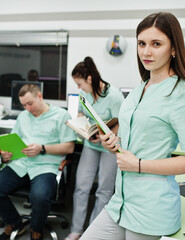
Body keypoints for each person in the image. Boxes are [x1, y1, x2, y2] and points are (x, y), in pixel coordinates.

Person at [80, 12, 185, 240]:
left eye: (156, 44)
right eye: (141, 43)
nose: (146, 52)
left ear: (173, 49)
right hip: (120, 203)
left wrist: (138, 164)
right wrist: (115, 143)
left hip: (151, 210)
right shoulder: (140, 89)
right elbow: (138, 139)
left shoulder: (184, 94)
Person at [0, 84, 76, 240]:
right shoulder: (23, 116)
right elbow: (13, 142)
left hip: (45, 166)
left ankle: (36, 228)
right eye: (24, 105)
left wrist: (42, 148)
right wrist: (7, 154)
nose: (27, 108)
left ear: (39, 96)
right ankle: (14, 223)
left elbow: (69, 147)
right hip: (21, 164)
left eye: (30, 103)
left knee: (39, 196)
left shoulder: (62, 115)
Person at [65, 56, 124, 240]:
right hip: (91, 144)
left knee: (104, 191)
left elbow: (120, 123)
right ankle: (76, 230)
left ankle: (93, 232)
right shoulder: (85, 95)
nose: (79, 88)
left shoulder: (114, 96)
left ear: (89, 79)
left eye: (79, 83)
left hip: (109, 147)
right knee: (81, 187)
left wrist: (105, 137)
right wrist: (82, 127)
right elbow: (82, 114)